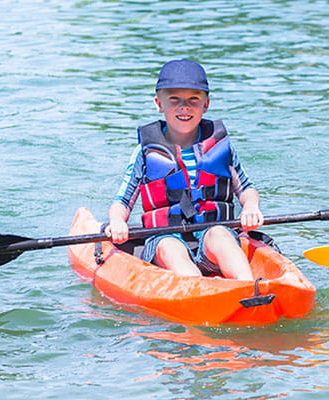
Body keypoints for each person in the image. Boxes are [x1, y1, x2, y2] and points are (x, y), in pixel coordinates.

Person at [105, 59, 263, 280]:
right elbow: (122, 201)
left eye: (193, 100)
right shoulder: (144, 152)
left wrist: (251, 207)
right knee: (169, 247)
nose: (184, 107)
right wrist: (117, 222)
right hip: (165, 237)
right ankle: (198, 289)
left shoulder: (220, 147)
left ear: (205, 105)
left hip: (212, 232)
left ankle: (250, 288)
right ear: (159, 104)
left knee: (220, 235)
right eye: (174, 100)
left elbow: (246, 189)